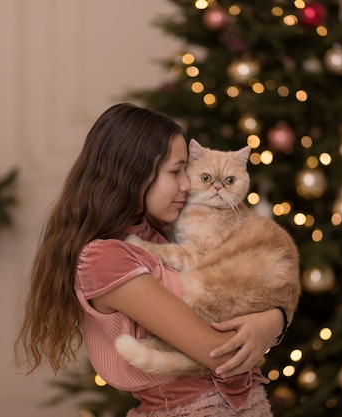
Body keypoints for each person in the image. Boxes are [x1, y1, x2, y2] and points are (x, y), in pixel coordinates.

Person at [15, 103, 289, 416]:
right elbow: (219, 353)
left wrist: (275, 318)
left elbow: (256, 294)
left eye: (185, 172)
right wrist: (273, 321)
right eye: (175, 172)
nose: (186, 185)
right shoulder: (105, 259)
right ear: (132, 173)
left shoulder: (159, 232)